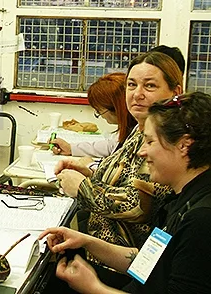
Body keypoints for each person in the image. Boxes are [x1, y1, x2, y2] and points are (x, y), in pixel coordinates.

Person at [40, 91, 211, 293]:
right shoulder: (180, 199)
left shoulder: (201, 219)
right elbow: (147, 264)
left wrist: (94, 288)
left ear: (184, 145)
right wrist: (86, 242)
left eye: (150, 142)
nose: (141, 151)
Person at [55, 52, 181, 268]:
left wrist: (83, 188)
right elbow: (124, 177)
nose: (137, 94)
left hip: (125, 268)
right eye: (131, 85)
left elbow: (139, 206)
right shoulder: (139, 129)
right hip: (98, 253)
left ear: (175, 92)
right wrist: (90, 174)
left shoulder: (167, 142)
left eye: (149, 86)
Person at [51, 72, 137, 159]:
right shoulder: (128, 131)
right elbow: (110, 146)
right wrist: (70, 148)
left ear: (115, 108)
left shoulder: (138, 136)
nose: (101, 115)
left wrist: (90, 166)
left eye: (99, 110)